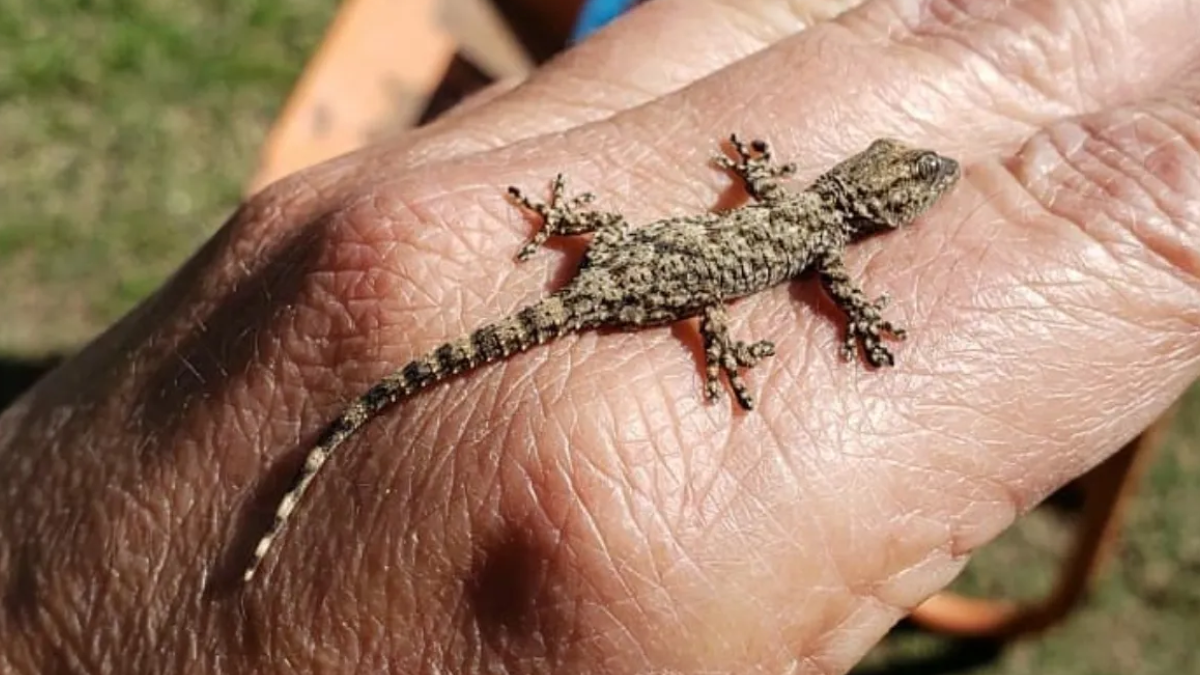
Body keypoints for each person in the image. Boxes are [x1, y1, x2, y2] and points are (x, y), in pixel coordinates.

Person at [2, 0, 1197, 671]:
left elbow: (761, 202)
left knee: (660, 278)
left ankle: (380, 406)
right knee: (697, 314)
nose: (917, 186)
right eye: (911, 188)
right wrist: (767, 333)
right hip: (644, 288)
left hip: (620, 260)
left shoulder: (793, 215)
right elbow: (829, 290)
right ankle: (345, 441)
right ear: (878, 202)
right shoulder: (819, 244)